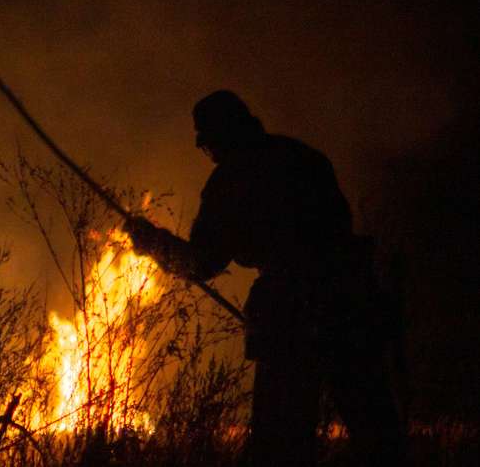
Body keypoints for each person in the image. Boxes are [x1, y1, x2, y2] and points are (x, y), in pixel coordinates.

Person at [124, 90, 404, 466]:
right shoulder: (303, 157)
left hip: (295, 315)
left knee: (281, 442)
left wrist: (152, 242)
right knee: (376, 431)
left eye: (209, 144)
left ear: (221, 136)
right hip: (352, 302)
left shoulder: (234, 177)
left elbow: (202, 262)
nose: (210, 154)